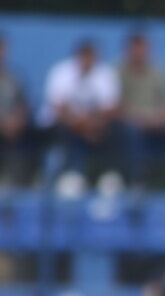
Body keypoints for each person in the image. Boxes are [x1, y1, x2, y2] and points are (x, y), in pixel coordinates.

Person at [40, 38, 120, 191]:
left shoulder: (104, 74)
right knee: (65, 131)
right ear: (78, 56)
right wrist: (81, 124)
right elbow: (58, 107)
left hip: (94, 125)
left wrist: (91, 124)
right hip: (66, 124)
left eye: (92, 57)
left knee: (116, 130)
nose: (88, 61)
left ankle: (109, 177)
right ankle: (71, 176)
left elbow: (111, 108)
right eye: (85, 57)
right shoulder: (61, 72)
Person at [116, 30, 165, 188]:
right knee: (132, 133)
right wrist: (140, 119)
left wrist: (160, 119)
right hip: (129, 124)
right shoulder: (117, 72)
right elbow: (115, 105)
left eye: (143, 48)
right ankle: (137, 184)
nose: (139, 53)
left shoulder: (158, 72)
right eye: (136, 48)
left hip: (156, 124)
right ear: (128, 49)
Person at [0, 34, 32, 187]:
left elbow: (23, 105)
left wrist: (17, 121)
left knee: (25, 134)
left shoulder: (14, 78)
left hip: (12, 129)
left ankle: (16, 183)